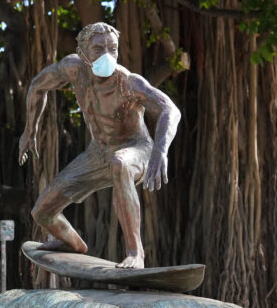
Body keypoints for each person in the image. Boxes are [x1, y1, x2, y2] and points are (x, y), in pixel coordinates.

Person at [18, 22, 181, 269]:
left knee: (120, 163)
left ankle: (135, 253)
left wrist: (160, 151)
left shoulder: (127, 82)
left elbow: (170, 109)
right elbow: (38, 86)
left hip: (136, 148)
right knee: (42, 213)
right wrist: (30, 130)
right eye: (98, 48)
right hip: (98, 153)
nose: (107, 55)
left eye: (112, 48)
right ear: (82, 52)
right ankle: (71, 242)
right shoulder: (73, 69)